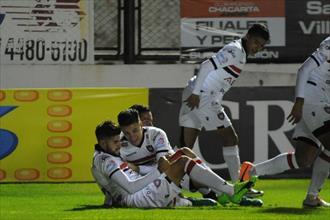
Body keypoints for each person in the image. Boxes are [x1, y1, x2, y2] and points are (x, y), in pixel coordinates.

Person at [178, 24, 270, 197]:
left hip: (195, 92)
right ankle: (240, 188)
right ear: (248, 36)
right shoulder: (235, 51)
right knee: (230, 138)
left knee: (184, 149)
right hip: (202, 96)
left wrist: (195, 92)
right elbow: (206, 65)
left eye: (261, 45)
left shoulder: (240, 52)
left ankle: (168, 185)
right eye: (256, 42)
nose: (257, 47)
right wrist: (197, 94)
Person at [240, 36, 330, 207]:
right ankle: (311, 196)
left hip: (322, 101)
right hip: (313, 99)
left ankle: (250, 172)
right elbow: (304, 70)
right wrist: (299, 101)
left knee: (302, 159)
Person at [91, 120, 256, 208]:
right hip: (139, 197)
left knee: (185, 154)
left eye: (119, 140)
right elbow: (131, 187)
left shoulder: (106, 155)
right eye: (115, 142)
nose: (119, 145)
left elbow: (109, 187)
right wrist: (158, 171)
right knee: (183, 162)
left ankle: (219, 193)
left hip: (143, 193)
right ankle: (230, 191)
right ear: (102, 142)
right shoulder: (105, 160)